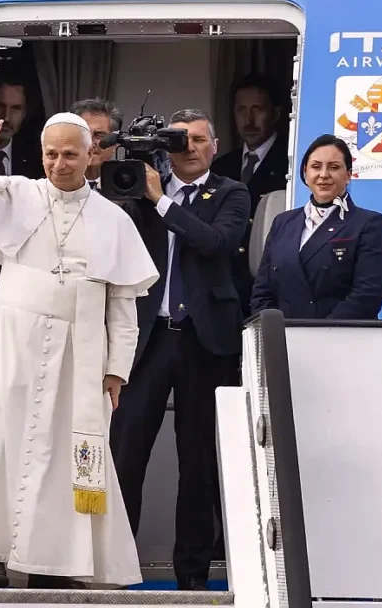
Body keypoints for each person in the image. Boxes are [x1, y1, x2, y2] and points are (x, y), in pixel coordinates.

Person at [0, 100, 159, 589]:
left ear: (91, 155)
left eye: (69, 155)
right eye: (50, 155)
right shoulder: (17, 193)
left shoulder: (114, 220)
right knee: (1, 444)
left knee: (72, 455)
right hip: (12, 342)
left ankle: (63, 560)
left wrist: (116, 370)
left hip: (79, 353)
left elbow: (124, 307)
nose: (59, 164)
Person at [110, 109, 250, 591]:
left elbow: (216, 242)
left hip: (204, 341)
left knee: (198, 463)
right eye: (177, 140)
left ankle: (191, 577)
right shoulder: (138, 190)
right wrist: (139, 187)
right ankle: (116, 567)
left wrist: (162, 201)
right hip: (147, 340)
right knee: (126, 455)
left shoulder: (231, 192)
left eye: (197, 139)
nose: (187, 147)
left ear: (214, 145)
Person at [250, 133, 382, 319]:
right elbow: (263, 291)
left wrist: (321, 333)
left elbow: (367, 296)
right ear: (305, 173)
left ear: (348, 175)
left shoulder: (369, 224)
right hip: (285, 339)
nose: (323, 175)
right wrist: (272, 330)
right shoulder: (283, 222)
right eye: (316, 167)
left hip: (342, 338)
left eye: (334, 167)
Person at [211, 74, 288, 313]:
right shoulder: (221, 166)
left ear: (275, 113)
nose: (249, 120)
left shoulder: (291, 163)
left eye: (258, 109)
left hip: (268, 286)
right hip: (224, 287)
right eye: (241, 110)